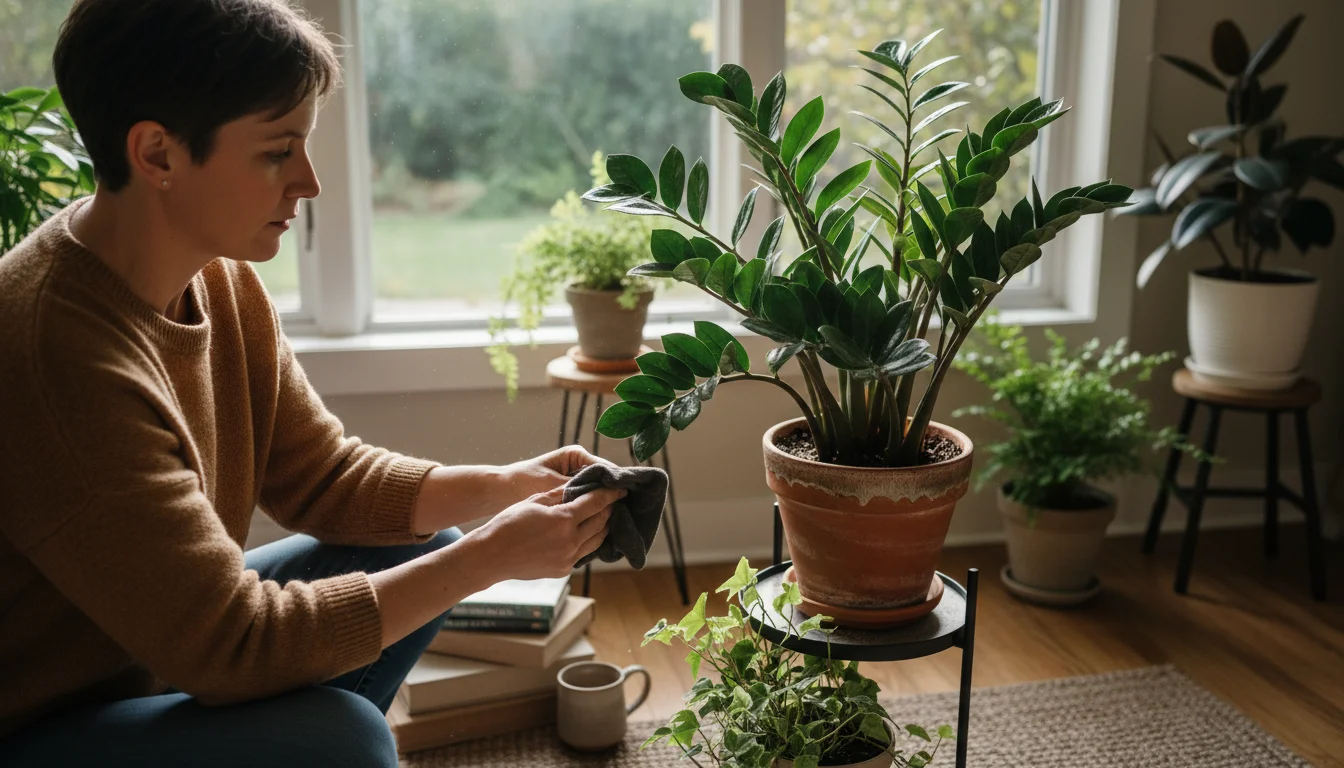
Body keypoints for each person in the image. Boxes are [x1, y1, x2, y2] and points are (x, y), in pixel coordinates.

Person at [0, 1, 624, 764]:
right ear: (157, 154)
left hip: (147, 657)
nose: (309, 182)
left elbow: (319, 478)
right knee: (346, 738)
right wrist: (487, 560)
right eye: (277, 151)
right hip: (40, 722)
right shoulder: (55, 357)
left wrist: (499, 487)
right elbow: (232, 647)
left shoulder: (217, 275)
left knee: (414, 546)